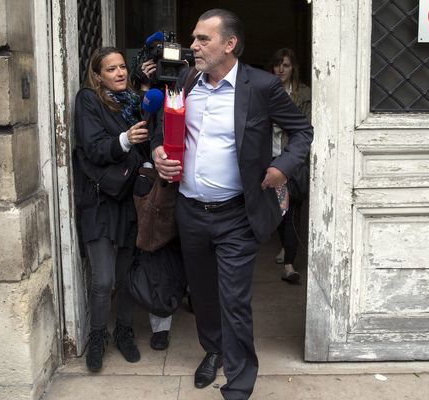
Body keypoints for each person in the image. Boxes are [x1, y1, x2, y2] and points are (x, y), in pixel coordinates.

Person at [152, 9, 313, 400]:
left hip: (237, 214)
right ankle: (214, 351)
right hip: (190, 211)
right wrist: (157, 149)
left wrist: (282, 168)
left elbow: (302, 131)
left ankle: (239, 385)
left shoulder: (261, 86)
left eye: (202, 39)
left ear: (229, 44)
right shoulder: (185, 80)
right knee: (203, 295)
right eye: (193, 38)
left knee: (235, 301)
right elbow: (162, 125)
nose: (193, 46)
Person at [73, 47, 172, 373]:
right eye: (110, 69)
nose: (119, 73)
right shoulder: (88, 100)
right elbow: (93, 147)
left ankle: (125, 332)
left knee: (126, 276)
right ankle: (99, 335)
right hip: (101, 201)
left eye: (121, 68)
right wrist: (126, 140)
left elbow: (149, 147)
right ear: (97, 75)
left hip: (131, 201)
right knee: (103, 281)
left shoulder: (133, 103)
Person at [267, 48, 312, 284]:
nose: (280, 70)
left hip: (292, 161)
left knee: (292, 212)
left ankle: (289, 265)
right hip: (271, 159)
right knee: (278, 212)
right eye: (277, 65)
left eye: (285, 65)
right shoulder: (266, 91)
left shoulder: (304, 94)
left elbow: (304, 128)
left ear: (293, 67)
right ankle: (286, 248)